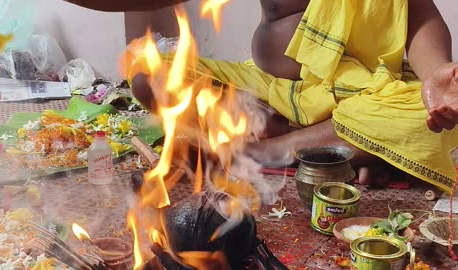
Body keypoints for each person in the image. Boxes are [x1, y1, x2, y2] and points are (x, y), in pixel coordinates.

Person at [63, 0, 457, 191]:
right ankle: (335, 148)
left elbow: (420, 15)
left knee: (426, 122)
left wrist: (436, 71)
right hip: (272, 91)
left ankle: (264, 150)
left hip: (362, 91)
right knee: (151, 74)